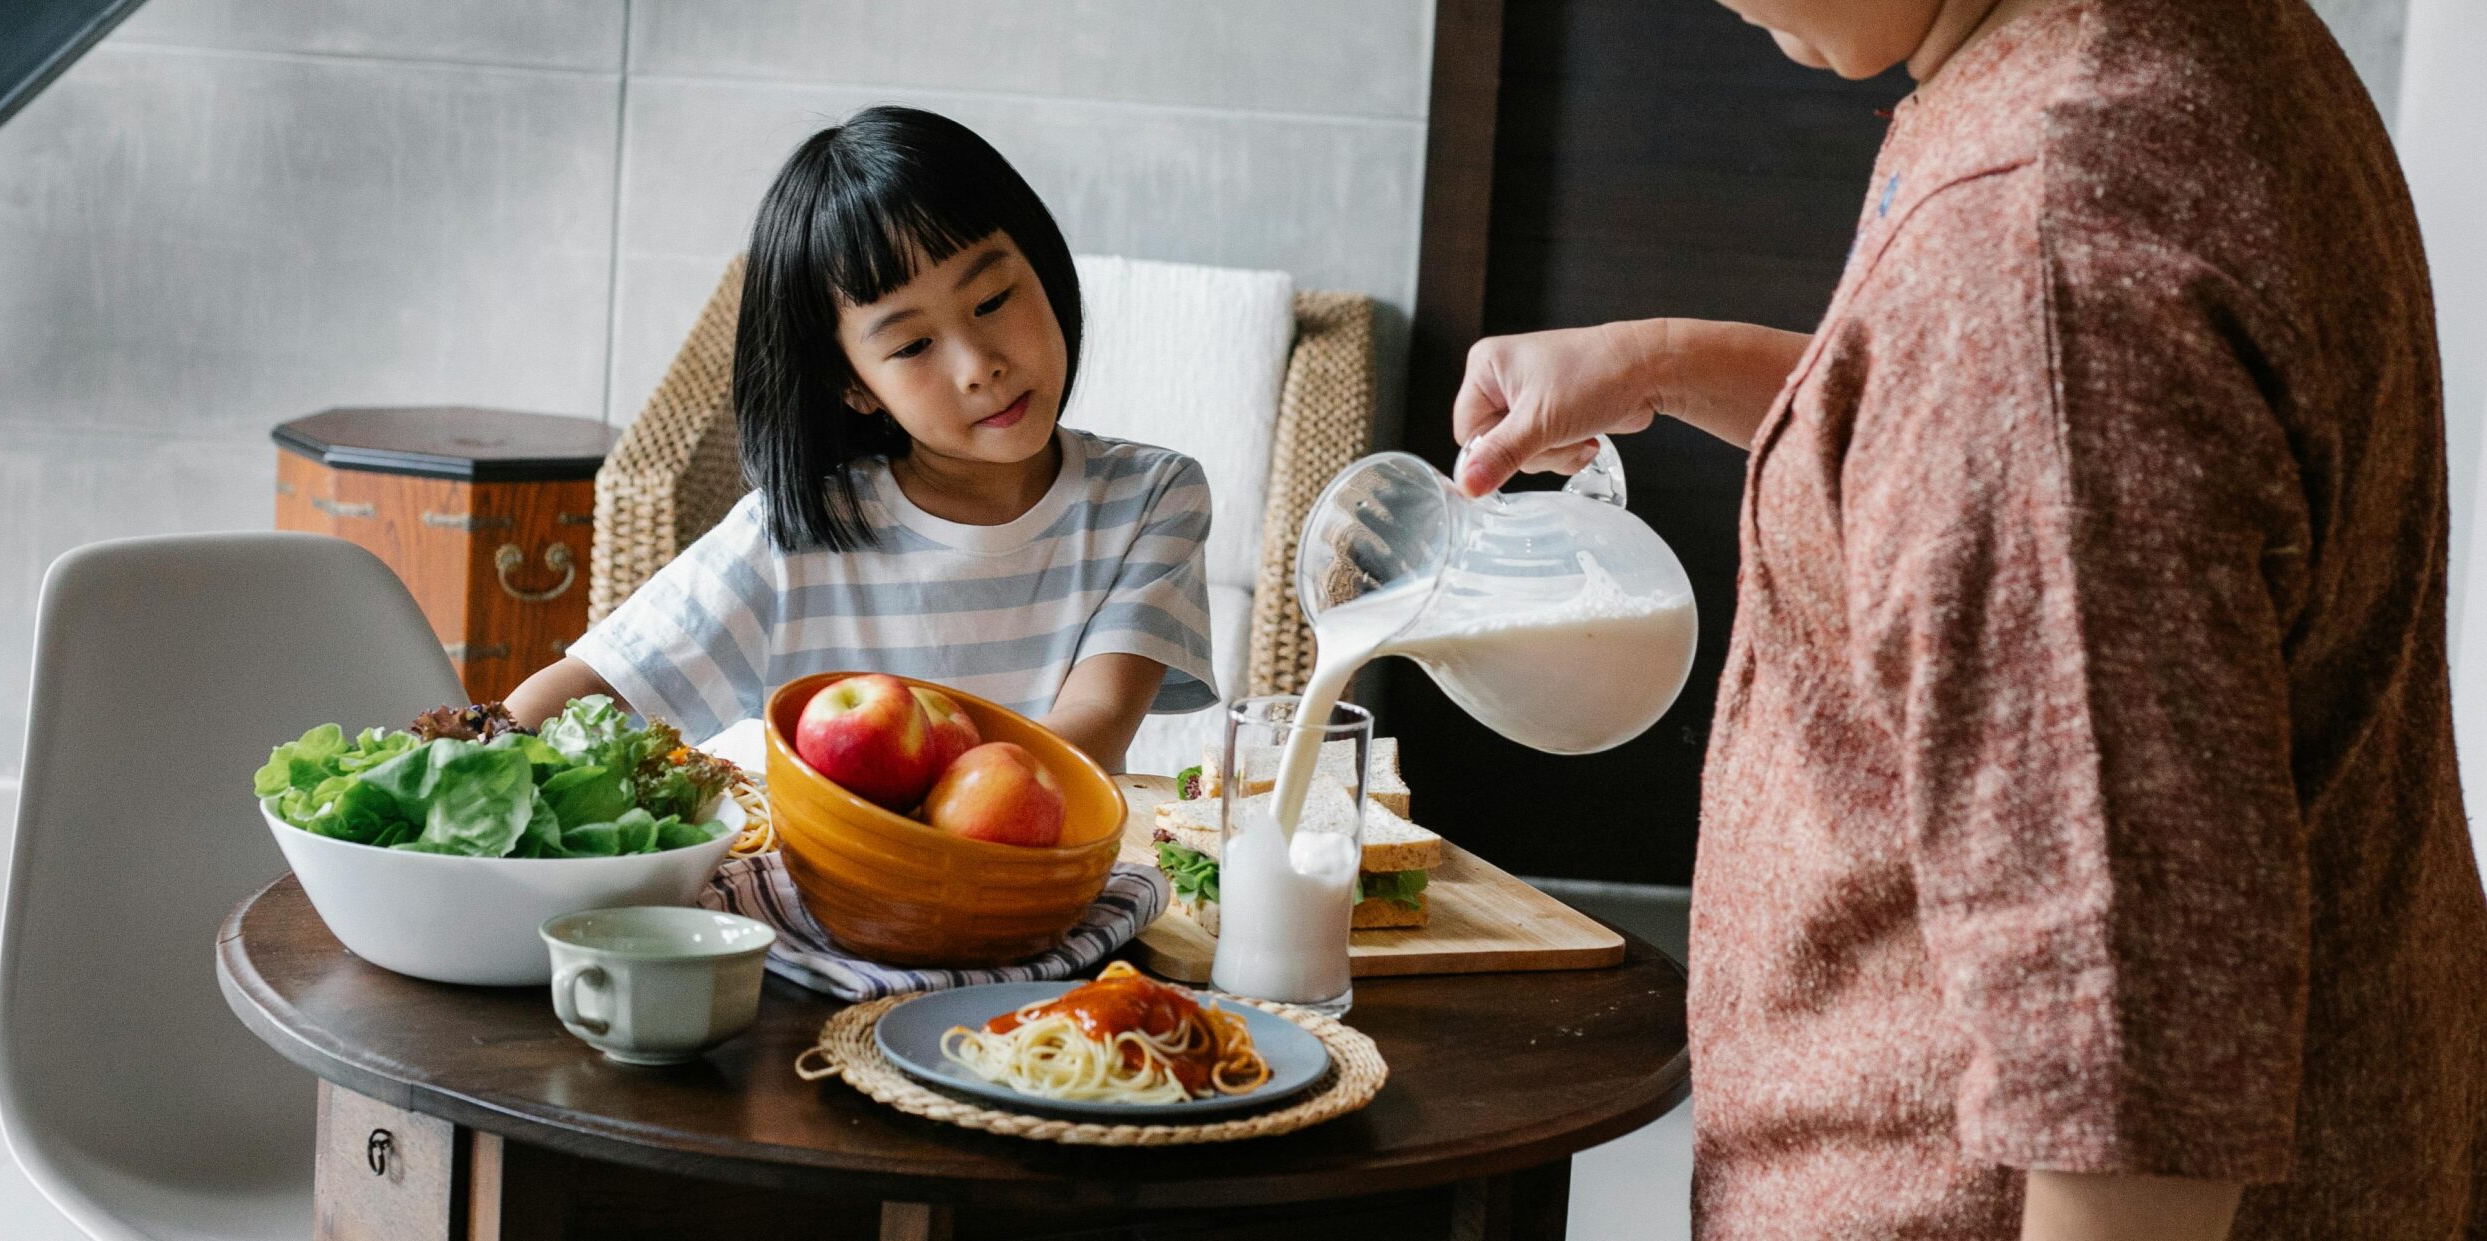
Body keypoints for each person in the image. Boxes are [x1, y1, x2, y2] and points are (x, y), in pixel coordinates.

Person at [1453, 1, 2487, 1237]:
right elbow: (2001, 450)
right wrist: (1673, 360)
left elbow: (2123, 1072)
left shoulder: (2035, 244)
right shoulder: (2168, 43)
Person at [506, 106, 1217, 773]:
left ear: (1042, 265)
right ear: (853, 383)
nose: (979, 367)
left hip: (1042, 898)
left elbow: (1093, 723)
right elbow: (566, 700)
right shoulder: (791, 538)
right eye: (912, 345)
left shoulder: (1150, 498)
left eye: (994, 300)